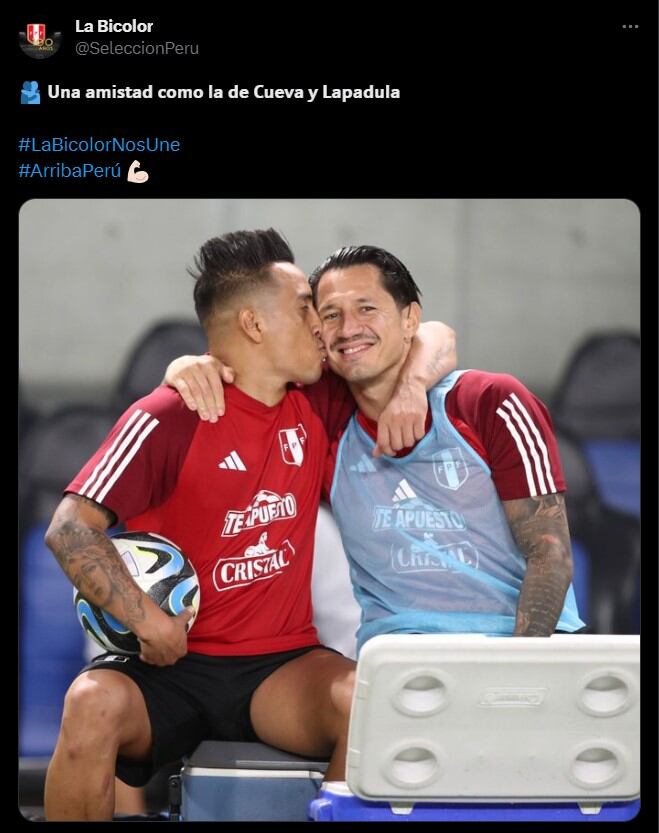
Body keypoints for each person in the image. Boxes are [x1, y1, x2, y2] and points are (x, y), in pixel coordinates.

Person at [43, 230, 456, 821]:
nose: (322, 324)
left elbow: (436, 335)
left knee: (373, 704)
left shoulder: (317, 400)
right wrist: (145, 620)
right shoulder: (167, 414)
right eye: (305, 307)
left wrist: (413, 385)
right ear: (254, 326)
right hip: (168, 669)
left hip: (278, 668)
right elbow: (69, 530)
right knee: (89, 702)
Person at [170, 245, 585, 653]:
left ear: (410, 320)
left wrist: (516, 667)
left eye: (367, 308)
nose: (348, 328)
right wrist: (190, 365)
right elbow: (249, 363)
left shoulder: (489, 402)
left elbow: (550, 555)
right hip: (401, 657)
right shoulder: (322, 416)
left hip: (520, 646)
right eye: (331, 314)